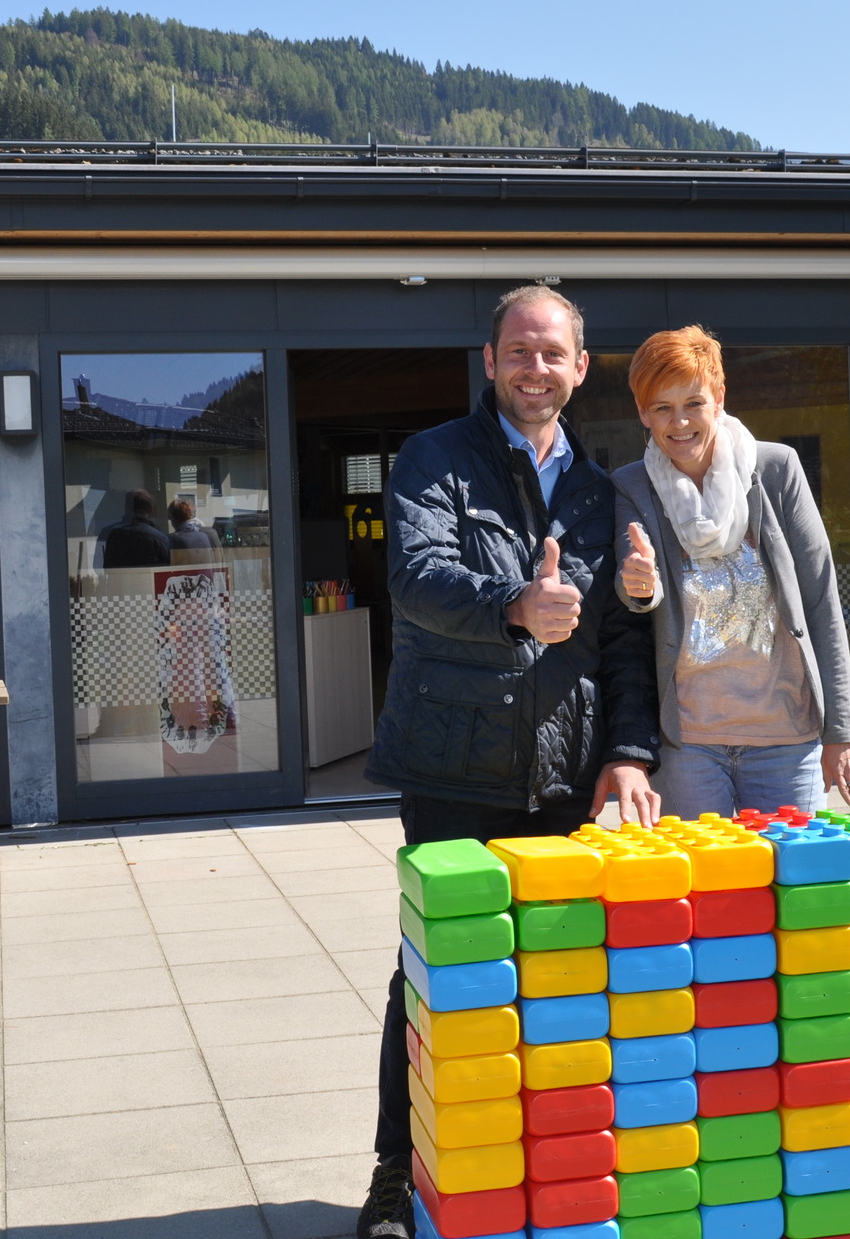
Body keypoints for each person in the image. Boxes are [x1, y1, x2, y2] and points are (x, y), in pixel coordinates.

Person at [357, 285, 661, 1239]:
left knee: (558, 978)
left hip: (564, 777)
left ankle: (538, 1178)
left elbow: (622, 641)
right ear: (490, 362)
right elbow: (416, 579)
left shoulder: (601, 490)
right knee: (436, 978)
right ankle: (399, 1174)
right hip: (453, 766)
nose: (536, 368)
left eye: (553, 353)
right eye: (518, 351)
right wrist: (514, 606)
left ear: (580, 367)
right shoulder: (434, 457)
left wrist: (628, 752)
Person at [613, 325, 850, 818]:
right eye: (662, 407)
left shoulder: (776, 470)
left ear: (719, 399)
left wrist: (843, 732)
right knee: (703, 870)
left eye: (693, 403)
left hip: (786, 737)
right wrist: (638, 585)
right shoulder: (631, 486)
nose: (679, 422)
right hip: (687, 744)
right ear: (643, 413)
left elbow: (821, 599)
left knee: (792, 868)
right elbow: (631, 588)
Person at [97, 488, 171, 569]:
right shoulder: (160, 538)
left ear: (126, 507)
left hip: (118, 577)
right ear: (150, 509)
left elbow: (98, 566)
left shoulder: (107, 533)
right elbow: (165, 569)